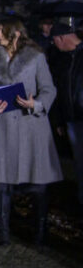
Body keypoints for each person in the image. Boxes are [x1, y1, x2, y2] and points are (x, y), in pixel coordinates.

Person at [0, 19, 62, 245]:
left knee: (37, 184)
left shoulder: (36, 56)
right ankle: (4, 233)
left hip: (32, 127)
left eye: (1, 31)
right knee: (3, 183)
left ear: (15, 33)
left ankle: (39, 234)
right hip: (5, 126)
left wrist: (35, 104)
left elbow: (49, 88)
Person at [50, 22, 83, 210]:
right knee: (79, 163)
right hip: (73, 117)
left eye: (55, 41)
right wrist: (61, 119)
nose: (54, 45)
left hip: (78, 115)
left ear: (61, 38)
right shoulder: (66, 58)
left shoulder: (75, 57)